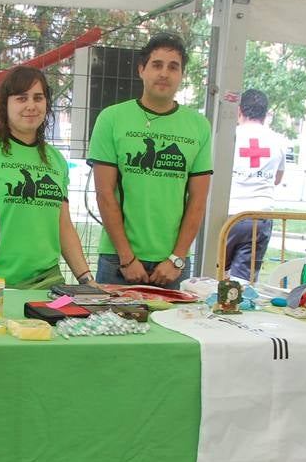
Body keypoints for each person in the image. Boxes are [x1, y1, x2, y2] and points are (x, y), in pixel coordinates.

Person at [87, 32, 212, 288]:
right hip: (118, 261)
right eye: (157, 65)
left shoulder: (199, 126)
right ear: (141, 70)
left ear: (181, 75)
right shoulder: (111, 119)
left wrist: (177, 258)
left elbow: (198, 200)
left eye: (173, 67)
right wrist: (126, 258)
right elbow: (105, 193)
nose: (164, 73)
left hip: (171, 267)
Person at [0, 65, 93, 290]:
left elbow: (63, 225)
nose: (31, 106)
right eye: (21, 98)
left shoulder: (55, 159)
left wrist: (86, 279)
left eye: (38, 98)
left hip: (47, 284)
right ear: (5, 104)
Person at [225, 88, 287, 282]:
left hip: (229, 214)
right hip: (260, 216)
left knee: (214, 270)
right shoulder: (277, 140)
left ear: (239, 110)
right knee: (243, 281)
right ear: (265, 113)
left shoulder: (229, 137)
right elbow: (277, 178)